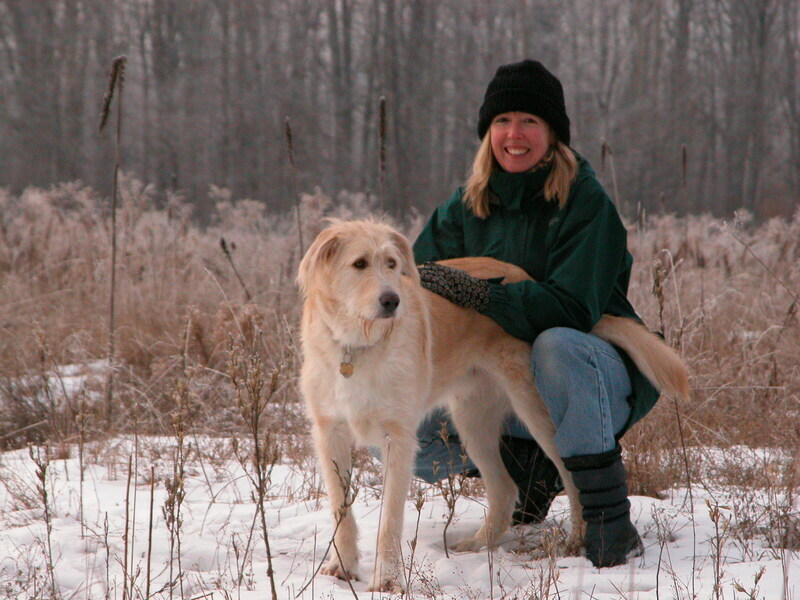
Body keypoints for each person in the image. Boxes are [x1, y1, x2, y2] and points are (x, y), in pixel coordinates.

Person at [412, 59, 658, 568]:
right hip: (498, 376)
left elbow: (572, 309)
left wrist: (484, 296)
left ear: (553, 133)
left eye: (529, 121)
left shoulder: (586, 203)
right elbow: (416, 292)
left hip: (586, 379)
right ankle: (527, 471)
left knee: (556, 345)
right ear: (488, 133)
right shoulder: (464, 205)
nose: (514, 134)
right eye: (502, 121)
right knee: (398, 425)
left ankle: (605, 517)